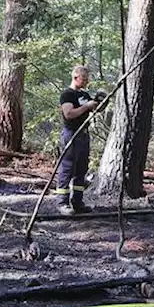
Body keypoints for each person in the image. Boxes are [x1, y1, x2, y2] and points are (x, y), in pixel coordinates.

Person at [57, 65, 103, 215]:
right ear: (76, 77)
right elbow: (69, 113)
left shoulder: (84, 94)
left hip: (84, 134)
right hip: (71, 134)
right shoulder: (67, 94)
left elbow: (95, 108)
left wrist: (101, 101)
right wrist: (86, 107)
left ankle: (77, 202)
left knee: (81, 168)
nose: (86, 81)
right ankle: (62, 203)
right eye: (84, 78)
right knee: (67, 167)